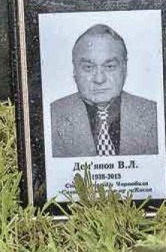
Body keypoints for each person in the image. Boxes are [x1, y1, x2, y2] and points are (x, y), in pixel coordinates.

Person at [50, 24, 158, 158]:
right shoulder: (51, 116)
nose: (99, 79)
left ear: (124, 69)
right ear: (75, 70)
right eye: (88, 67)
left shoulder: (154, 115)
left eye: (110, 66)